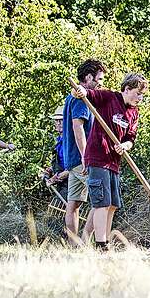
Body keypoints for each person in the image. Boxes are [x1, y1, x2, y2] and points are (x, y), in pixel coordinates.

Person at [71, 72, 148, 250]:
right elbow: (86, 93)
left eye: (142, 95)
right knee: (102, 204)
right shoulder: (109, 98)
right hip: (98, 158)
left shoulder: (133, 113)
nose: (140, 98)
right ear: (127, 89)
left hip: (114, 162)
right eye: (138, 93)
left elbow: (131, 138)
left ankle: (106, 241)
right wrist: (80, 91)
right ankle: (101, 245)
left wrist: (125, 146)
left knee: (112, 204)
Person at [62, 59, 106, 244]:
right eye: (99, 79)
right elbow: (77, 127)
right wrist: (85, 155)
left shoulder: (71, 97)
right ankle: (84, 243)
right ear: (88, 77)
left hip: (71, 158)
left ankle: (73, 245)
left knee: (73, 204)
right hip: (82, 159)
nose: (101, 83)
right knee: (102, 199)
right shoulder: (81, 99)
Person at [43, 105, 69, 203]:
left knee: (60, 207)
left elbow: (73, 168)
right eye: (56, 120)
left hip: (72, 182)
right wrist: (49, 170)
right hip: (62, 182)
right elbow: (60, 161)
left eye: (61, 120)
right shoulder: (59, 140)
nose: (58, 123)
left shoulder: (71, 140)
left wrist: (55, 178)